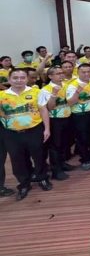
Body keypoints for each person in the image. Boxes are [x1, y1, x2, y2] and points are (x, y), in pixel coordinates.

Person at [0, 69, 52, 200]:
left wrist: (47, 129)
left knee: (39, 156)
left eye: (22, 77)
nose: (19, 80)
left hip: (34, 130)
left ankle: (42, 178)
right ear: (9, 79)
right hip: (11, 133)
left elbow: (43, 110)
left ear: (27, 79)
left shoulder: (36, 92)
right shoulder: (2, 95)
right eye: (15, 78)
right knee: (17, 159)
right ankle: (24, 184)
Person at [38, 66, 72, 180]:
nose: (61, 75)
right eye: (58, 73)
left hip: (67, 117)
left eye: (62, 72)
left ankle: (62, 163)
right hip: (54, 120)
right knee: (55, 145)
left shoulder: (66, 85)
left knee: (64, 143)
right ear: (50, 76)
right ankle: (56, 170)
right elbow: (49, 107)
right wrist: (53, 95)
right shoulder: (45, 90)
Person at [67, 63, 90, 170]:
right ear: (78, 72)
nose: (86, 74)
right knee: (82, 137)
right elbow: (70, 103)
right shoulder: (73, 85)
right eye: (83, 72)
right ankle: (85, 159)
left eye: (88, 71)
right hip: (80, 115)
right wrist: (78, 91)